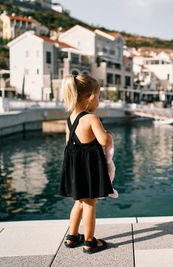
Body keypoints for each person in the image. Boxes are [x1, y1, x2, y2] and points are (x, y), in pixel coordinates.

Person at [60, 74, 114, 254]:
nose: (99, 100)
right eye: (98, 96)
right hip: (89, 168)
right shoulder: (91, 118)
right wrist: (110, 136)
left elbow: (70, 144)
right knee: (90, 204)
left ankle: (72, 236)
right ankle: (90, 241)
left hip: (75, 167)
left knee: (79, 202)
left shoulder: (70, 120)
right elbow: (103, 141)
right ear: (91, 97)